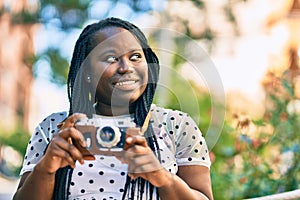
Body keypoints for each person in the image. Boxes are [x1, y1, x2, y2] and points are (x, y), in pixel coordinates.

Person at [13, 17, 213, 200]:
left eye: (135, 56)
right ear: (87, 72)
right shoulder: (55, 127)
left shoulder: (176, 125)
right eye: (111, 58)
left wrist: (161, 177)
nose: (126, 67)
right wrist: (46, 168)